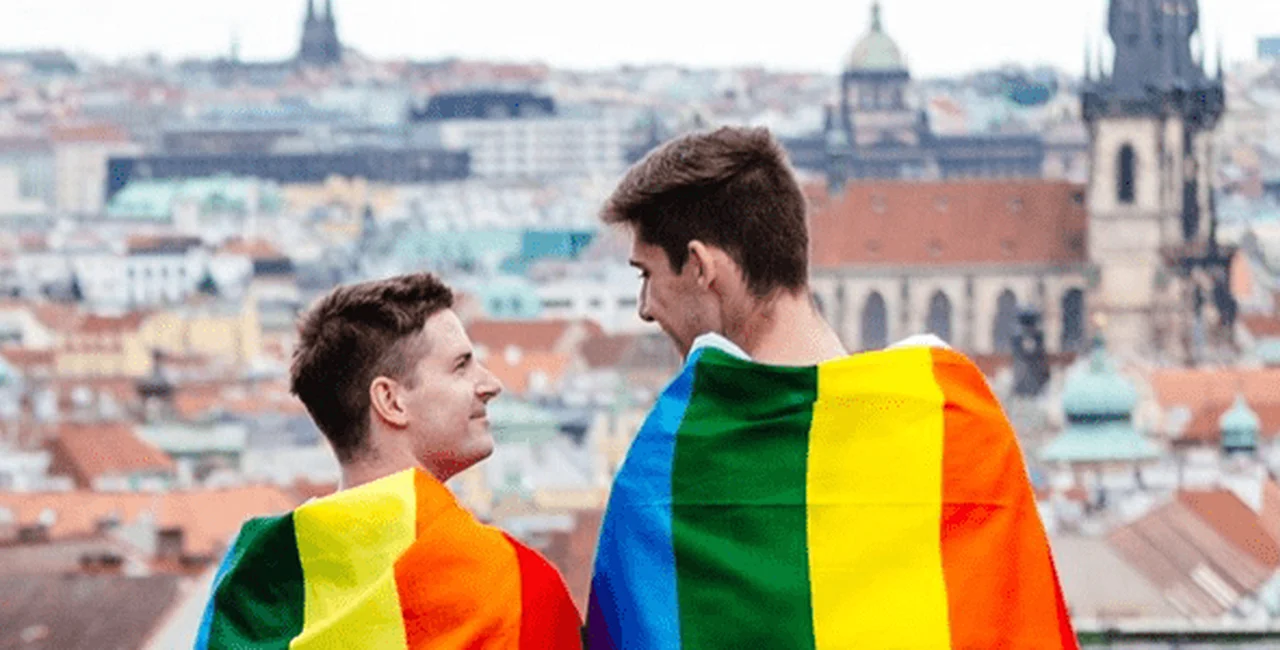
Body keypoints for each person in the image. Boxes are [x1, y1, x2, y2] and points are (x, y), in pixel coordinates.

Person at [585, 127, 1079, 649]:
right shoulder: (962, 434)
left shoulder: (668, 465)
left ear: (702, 267)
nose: (644, 308)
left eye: (646, 275)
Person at [196, 273, 582, 650]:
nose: (490, 384)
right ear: (391, 401)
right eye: (461, 366)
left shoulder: (249, 579)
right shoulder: (510, 586)